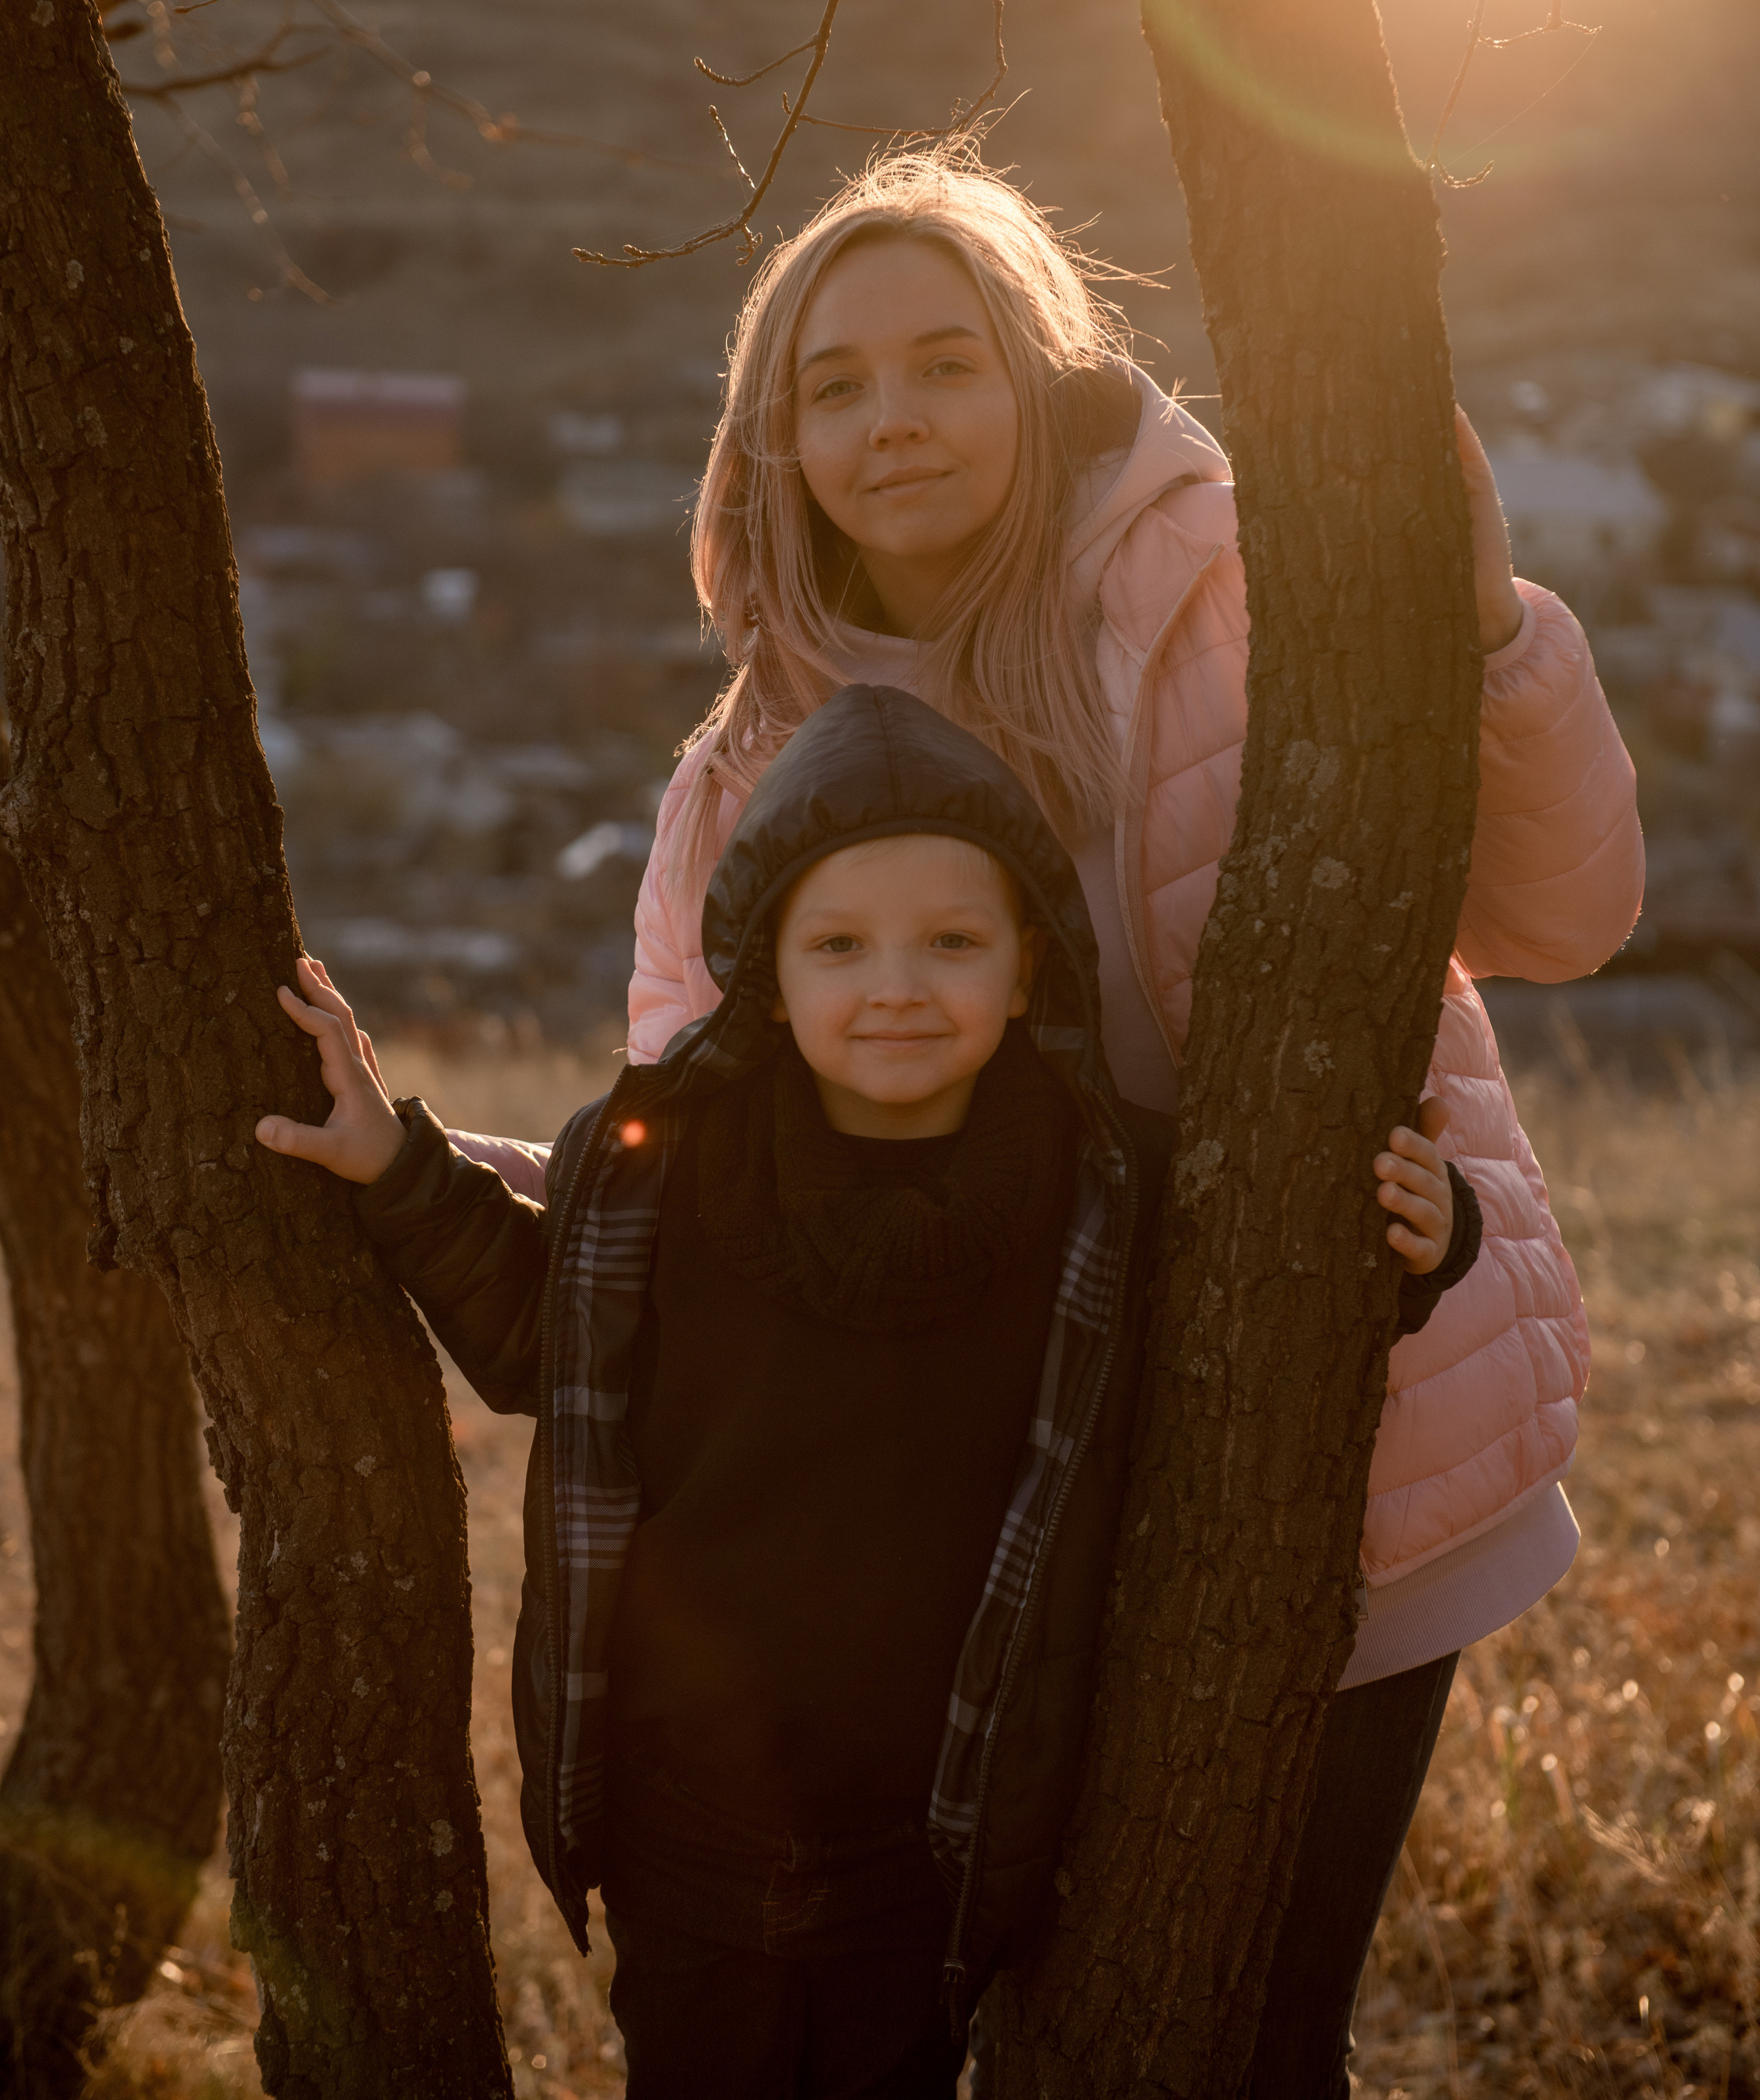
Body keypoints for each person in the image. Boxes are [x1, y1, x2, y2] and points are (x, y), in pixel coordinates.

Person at [563, 149, 1642, 2092]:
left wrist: (1486, 634)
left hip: (1351, 1427)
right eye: (834, 386)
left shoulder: (1238, 574)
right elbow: (693, 1190)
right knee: (1058, 2037)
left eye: (944, 363)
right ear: (776, 441)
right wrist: (416, 1174)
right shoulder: (745, 778)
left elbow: (1564, 918)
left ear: (1038, 375)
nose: (892, 421)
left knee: (1239, 2030)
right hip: (991, 1509)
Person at [255, 685, 1480, 2100]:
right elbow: (545, 1335)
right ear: (766, 972)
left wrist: (1421, 1241)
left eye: (952, 943)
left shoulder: (1112, 1186)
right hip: (683, 1813)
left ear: (1028, 967)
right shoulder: (662, 1158)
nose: (895, 984)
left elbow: (1259, 1331)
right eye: (838, 945)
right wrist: (395, 1172)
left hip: (944, 1831)